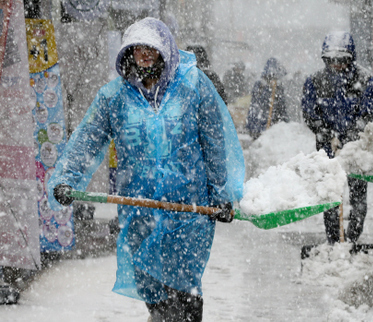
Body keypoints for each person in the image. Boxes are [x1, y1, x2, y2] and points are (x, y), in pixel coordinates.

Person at [47, 18, 244, 322]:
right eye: (138, 47)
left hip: (189, 211)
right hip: (139, 209)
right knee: (154, 292)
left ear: (165, 50)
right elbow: (87, 140)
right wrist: (66, 178)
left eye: (151, 47)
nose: (145, 53)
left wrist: (222, 194)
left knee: (186, 294)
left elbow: (215, 143)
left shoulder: (193, 87)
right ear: (129, 53)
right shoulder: (113, 97)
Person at [302, 31, 373, 244]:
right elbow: (309, 112)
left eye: (341, 60)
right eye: (332, 60)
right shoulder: (315, 81)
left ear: (350, 58)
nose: (336, 64)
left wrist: (350, 136)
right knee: (330, 195)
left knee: (358, 195)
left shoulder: (364, 80)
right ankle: (334, 239)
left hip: (356, 149)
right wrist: (325, 133)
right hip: (327, 149)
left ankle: (352, 237)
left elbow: (366, 113)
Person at [246, 57, 288, 139]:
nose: (273, 79)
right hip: (260, 126)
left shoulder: (277, 88)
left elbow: (282, 107)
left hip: (269, 126)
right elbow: (256, 105)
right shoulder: (260, 86)